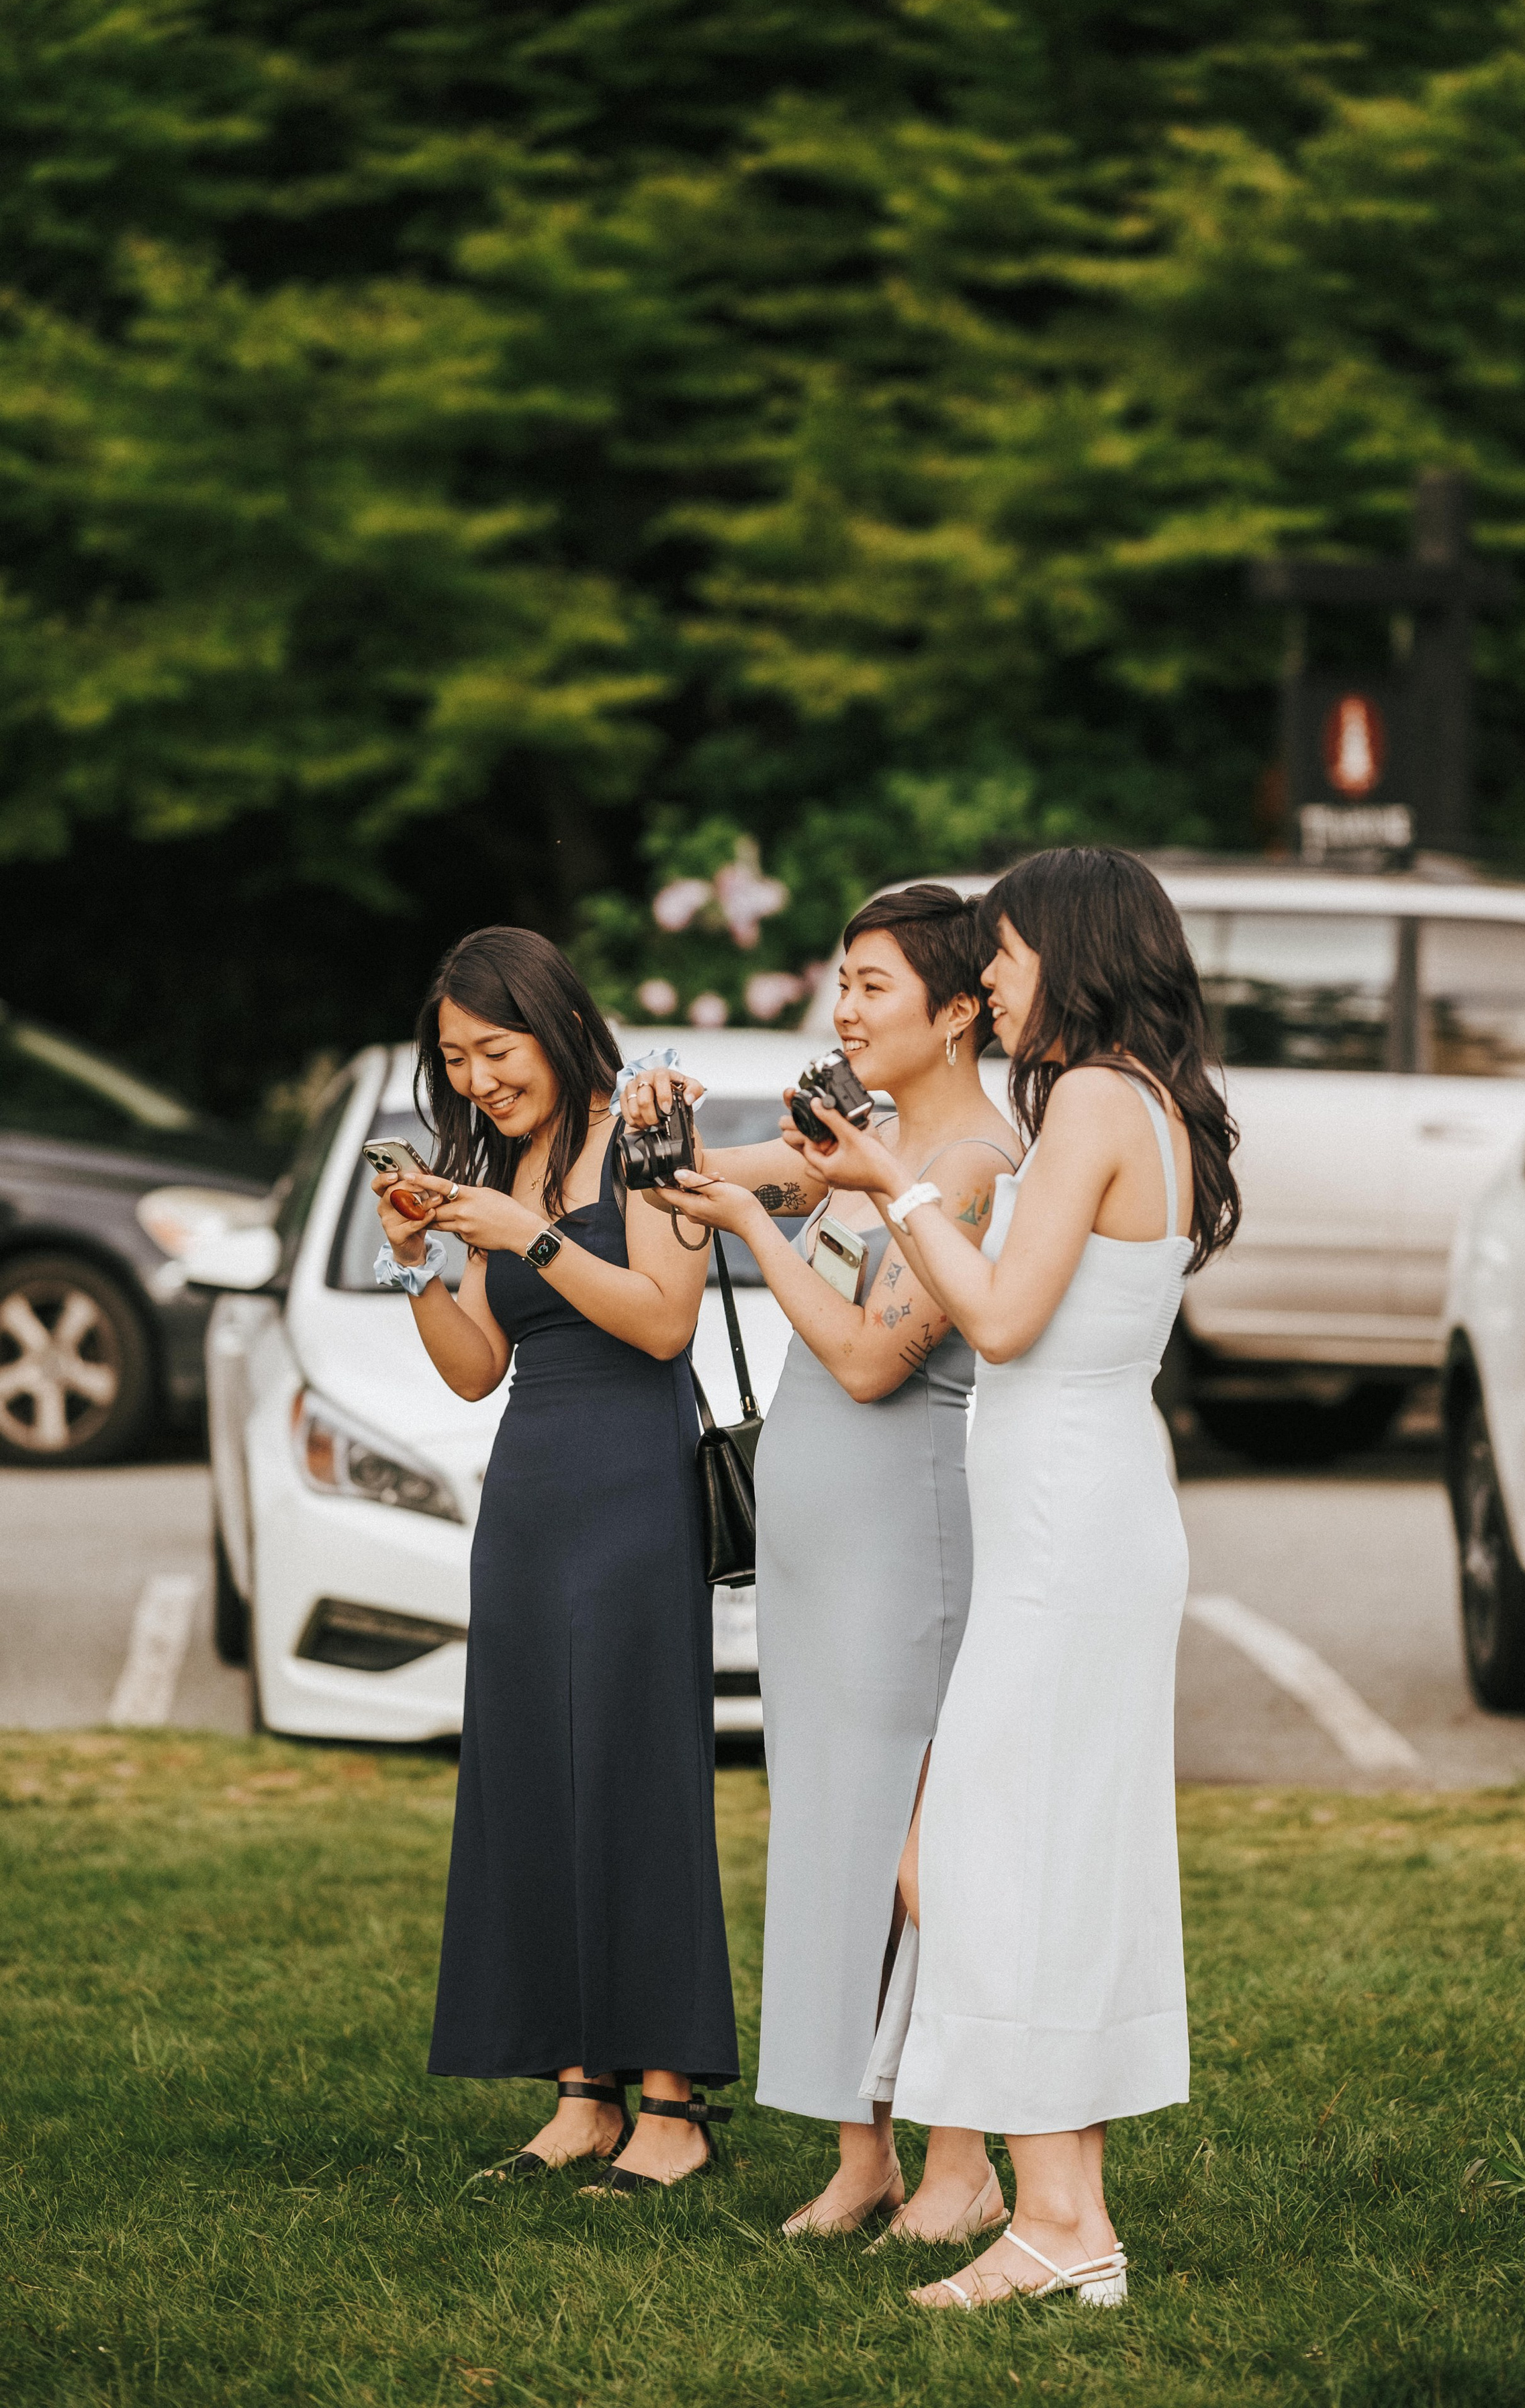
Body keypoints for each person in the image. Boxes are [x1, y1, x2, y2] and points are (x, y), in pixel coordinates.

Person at [792, 847, 1240, 2307]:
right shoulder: (1144, 1102)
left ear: (1077, 950)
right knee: (1014, 1858)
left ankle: (1052, 2222)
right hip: (1091, 1512)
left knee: (986, 1862)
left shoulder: (1102, 1101)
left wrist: (891, 1191)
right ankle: (1063, 2218)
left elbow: (992, 1315)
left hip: (1063, 1529)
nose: (987, 977)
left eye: (1004, 953)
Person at [620, 886, 1020, 2240]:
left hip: (898, 1547)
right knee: (831, 1843)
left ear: (956, 1009)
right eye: (837, 983)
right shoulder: (881, 1138)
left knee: (914, 1854)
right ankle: (865, 2152)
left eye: (870, 985)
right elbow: (739, 1171)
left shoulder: (965, 1163)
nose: (842, 1010)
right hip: (812, 1551)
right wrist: (664, 1131)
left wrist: (741, 1232)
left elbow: (860, 1358)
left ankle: (964, 2156)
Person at [373, 925, 738, 2193]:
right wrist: (418, 1252)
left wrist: (525, 1237)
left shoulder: (650, 1132)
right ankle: (581, 2094)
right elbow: (475, 1368)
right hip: (527, 1496)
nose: (475, 1079)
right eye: (455, 1060)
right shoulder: (499, 1158)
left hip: (636, 1487)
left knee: (637, 1774)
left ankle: (674, 2109)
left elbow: (663, 1321)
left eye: (493, 1049)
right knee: (536, 1776)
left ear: (550, 1018)